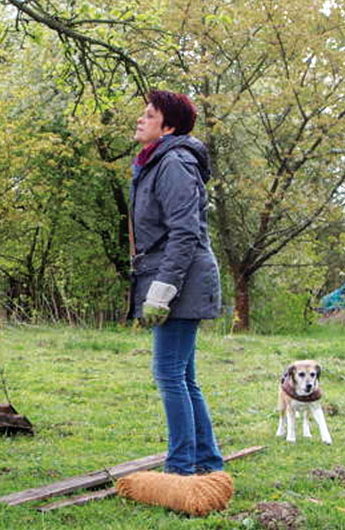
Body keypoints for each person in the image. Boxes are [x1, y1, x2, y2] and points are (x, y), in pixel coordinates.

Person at [129, 90, 224, 476]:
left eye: (148, 115)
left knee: (169, 373)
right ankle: (206, 461)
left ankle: (182, 467)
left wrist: (161, 291)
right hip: (177, 276)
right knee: (182, 375)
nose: (140, 119)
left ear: (168, 127)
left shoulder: (174, 163)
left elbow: (184, 233)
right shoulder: (157, 161)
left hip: (182, 280)